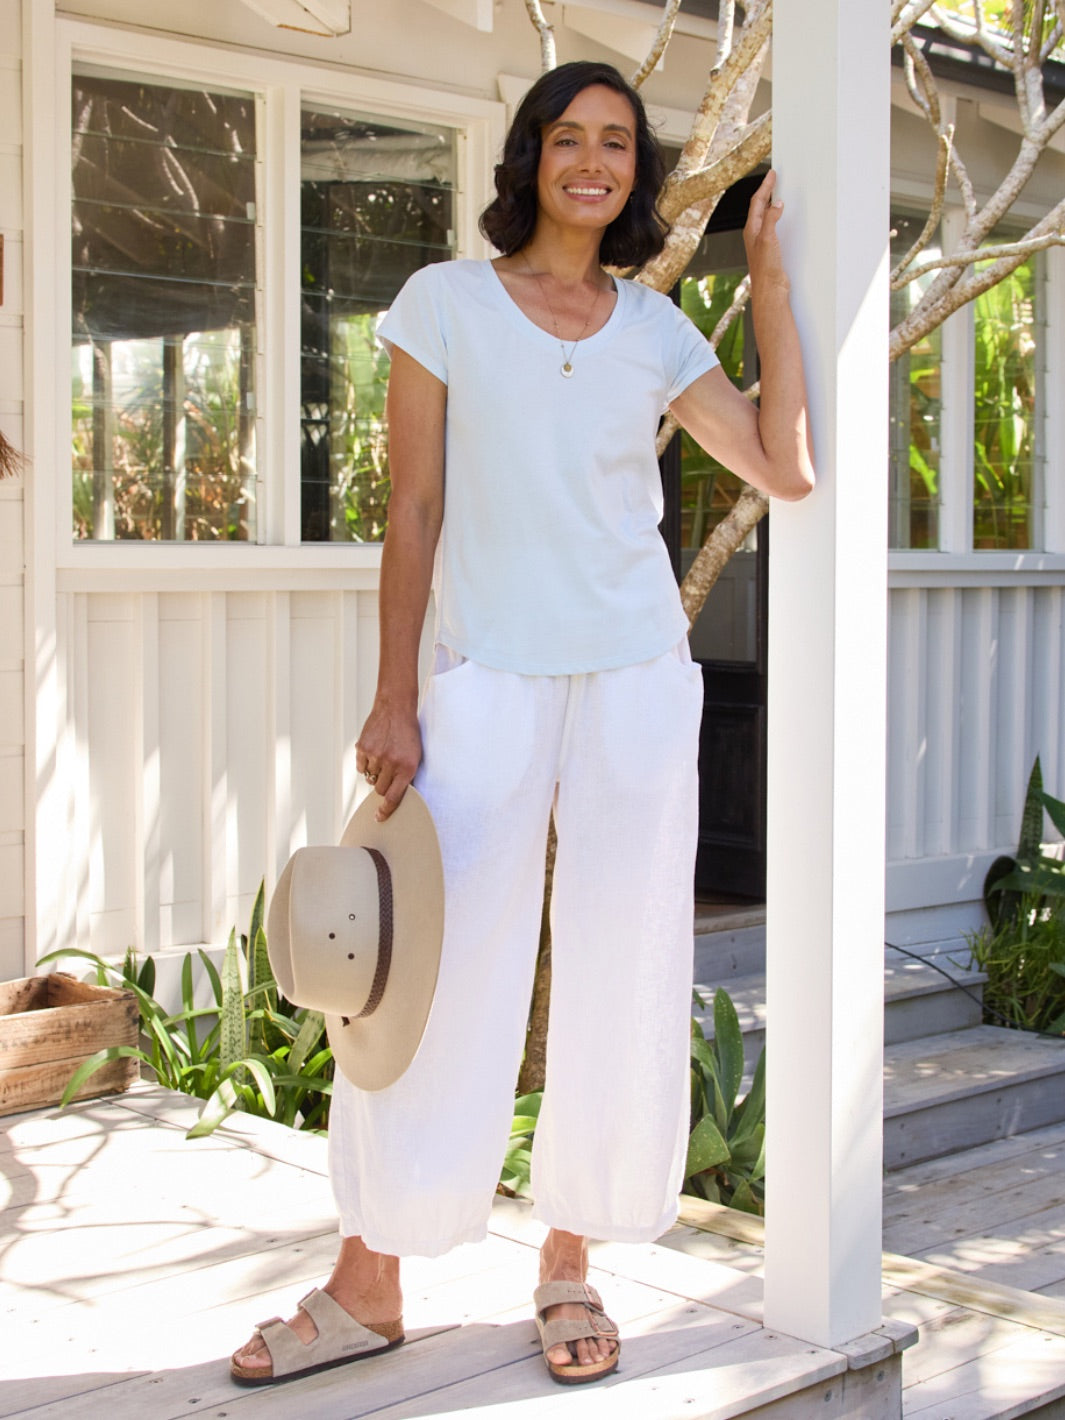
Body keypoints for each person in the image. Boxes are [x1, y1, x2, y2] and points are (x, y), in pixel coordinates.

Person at [232, 58, 813, 1389]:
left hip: (633, 683)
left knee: (624, 965)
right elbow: (414, 514)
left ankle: (568, 1263)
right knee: (429, 977)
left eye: (615, 143)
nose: (592, 161)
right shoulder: (442, 304)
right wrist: (394, 693)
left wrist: (767, 295)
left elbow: (781, 467)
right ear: (531, 158)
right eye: (569, 138)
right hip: (482, 676)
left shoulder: (658, 332)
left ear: (634, 175)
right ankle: (369, 1278)